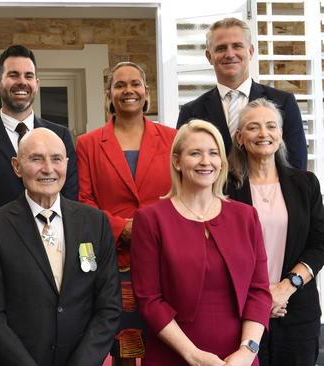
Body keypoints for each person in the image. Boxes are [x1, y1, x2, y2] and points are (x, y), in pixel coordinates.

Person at [0, 128, 121, 366]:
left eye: (56, 159)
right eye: (36, 159)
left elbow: (109, 307)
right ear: (16, 166)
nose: (48, 169)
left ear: (67, 164)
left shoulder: (95, 222)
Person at [130, 120, 271, 366]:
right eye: (195, 153)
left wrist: (247, 352)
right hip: (172, 357)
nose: (206, 161)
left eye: (213, 153)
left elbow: (258, 291)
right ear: (177, 161)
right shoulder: (150, 219)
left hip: (239, 360)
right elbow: (149, 300)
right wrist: (192, 355)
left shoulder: (246, 217)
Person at [76, 61, 176, 365]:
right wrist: (124, 229)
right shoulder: (88, 143)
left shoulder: (173, 139)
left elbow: (182, 195)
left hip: (165, 256)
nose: (128, 90)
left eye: (135, 84)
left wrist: (149, 229)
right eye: (119, 85)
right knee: (126, 348)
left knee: (167, 342)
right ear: (110, 94)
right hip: (114, 260)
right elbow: (84, 201)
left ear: (147, 92)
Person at [227, 98, 324, 366]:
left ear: (280, 135)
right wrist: (259, 298)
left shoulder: (306, 184)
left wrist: (285, 287)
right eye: (253, 127)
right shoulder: (225, 189)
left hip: (296, 310)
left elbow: (320, 244)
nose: (263, 133)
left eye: (271, 126)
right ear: (239, 137)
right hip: (240, 311)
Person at [0, 44, 78, 230]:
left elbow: (71, 195)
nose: (22, 82)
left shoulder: (60, 135)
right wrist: (12, 237)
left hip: (55, 238)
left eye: (29, 76)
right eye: (13, 75)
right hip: (1, 245)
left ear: (37, 84)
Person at [177, 17, 306, 170]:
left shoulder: (284, 103)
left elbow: (297, 166)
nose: (230, 54)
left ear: (250, 51)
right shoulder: (191, 112)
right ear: (209, 56)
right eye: (221, 48)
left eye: (237, 46)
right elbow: (183, 167)